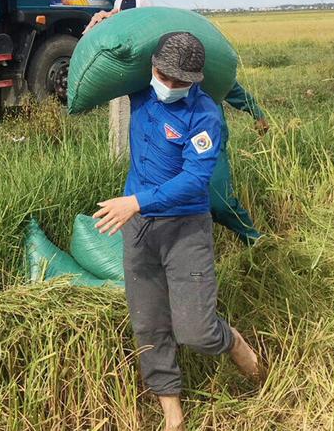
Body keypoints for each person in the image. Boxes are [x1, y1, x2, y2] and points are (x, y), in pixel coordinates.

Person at [92, 32, 260, 431]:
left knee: (197, 331)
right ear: (152, 67)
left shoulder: (204, 115)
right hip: (138, 230)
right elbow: (108, 53)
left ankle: (232, 341)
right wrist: (101, 23)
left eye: (179, 81)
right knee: (148, 325)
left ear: (195, 78)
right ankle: (172, 412)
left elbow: (194, 180)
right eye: (162, 76)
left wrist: (135, 201)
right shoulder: (138, 92)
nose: (167, 86)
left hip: (185, 229)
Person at [210, 81, 268, 245]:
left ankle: (257, 245)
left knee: (218, 202)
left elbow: (223, 80)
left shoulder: (208, 56)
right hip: (163, 134)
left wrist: (255, 111)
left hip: (207, 133)